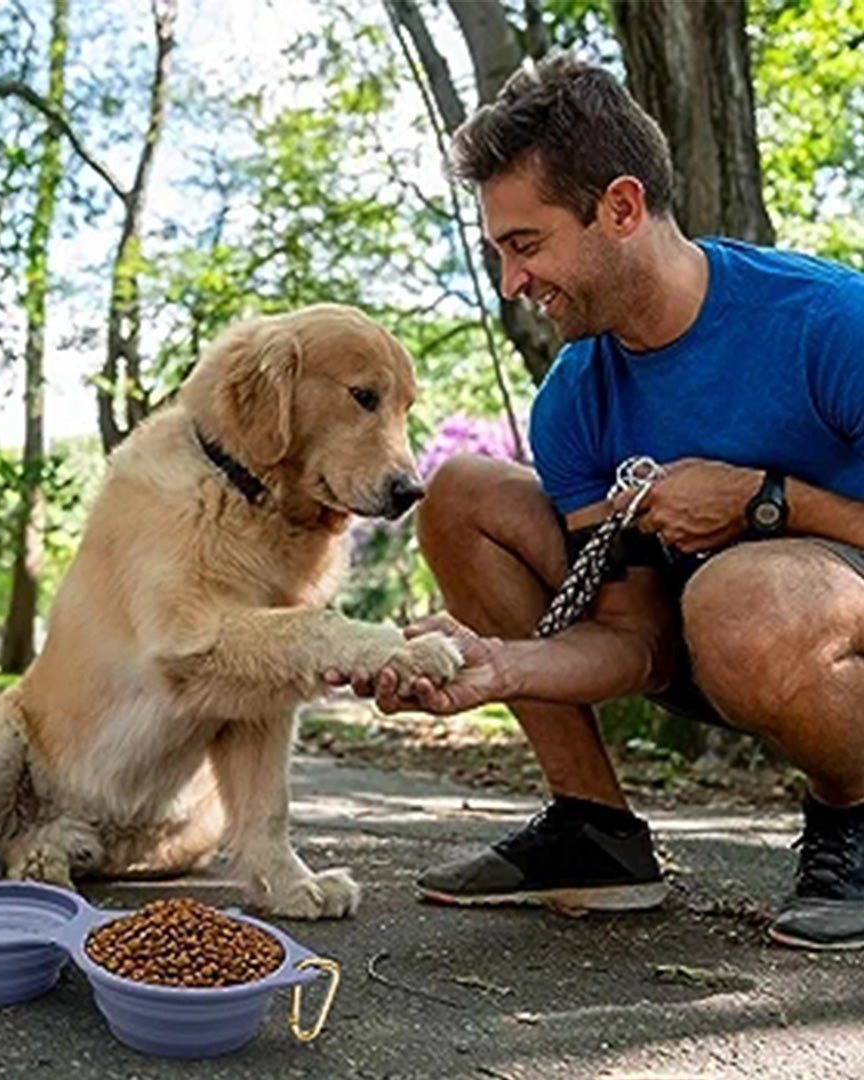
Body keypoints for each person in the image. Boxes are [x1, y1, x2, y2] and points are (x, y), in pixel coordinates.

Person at [328, 54, 864, 950]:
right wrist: (498, 665)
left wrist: (767, 502)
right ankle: (595, 833)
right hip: (706, 638)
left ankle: (852, 819)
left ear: (620, 208)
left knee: (740, 599)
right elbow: (636, 637)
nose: (511, 284)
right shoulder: (575, 394)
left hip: (812, 621)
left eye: (526, 245)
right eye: (498, 252)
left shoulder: (828, 323)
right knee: (460, 494)